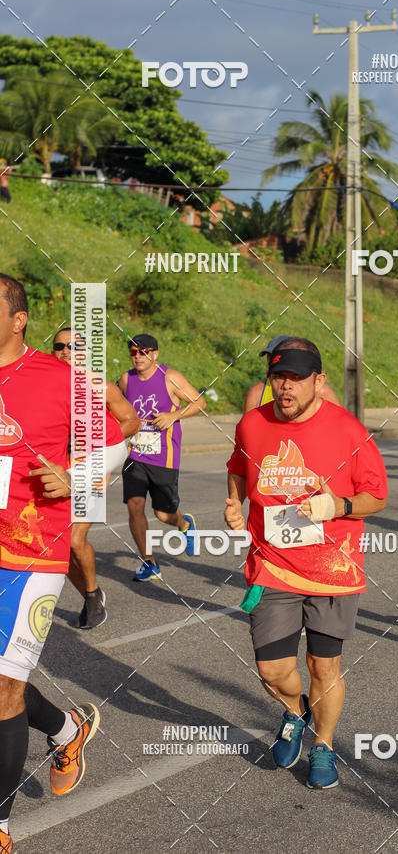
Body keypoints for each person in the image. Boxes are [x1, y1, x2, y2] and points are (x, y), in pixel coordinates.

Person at [0, 274, 127, 853]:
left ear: (18, 318)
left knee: (3, 689)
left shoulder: (60, 379)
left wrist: (75, 477)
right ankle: (65, 727)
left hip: (30, 553)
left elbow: (118, 441)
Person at [225, 337, 388, 789]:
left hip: (333, 568)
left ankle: (324, 746)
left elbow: (377, 496)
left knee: (323, 666)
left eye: (296, 378)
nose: (285, 387)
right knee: (272, 670)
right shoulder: (252, 424)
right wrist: (234, 503)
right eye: (278, 377)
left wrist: (336, 507)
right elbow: (238, 468)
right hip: (272, 564)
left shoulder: (347, 429)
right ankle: (295, 713)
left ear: (319, 381)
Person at [51, 327, 140, 629]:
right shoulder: (44, 386)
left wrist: (101, 442)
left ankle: (91, 596)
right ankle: (92, 592)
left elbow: (131, 420)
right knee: (56, 544)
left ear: (85, 352)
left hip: (91, 466)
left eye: (73, 346)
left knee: (75, 540)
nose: (66, 352)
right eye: (59, 346)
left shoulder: (100, 387)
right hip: (55, 469)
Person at [118, 333, 206, 581]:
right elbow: (115, 403)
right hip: (135, 455)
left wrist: (173, 416)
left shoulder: (170, 377)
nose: (138, 356)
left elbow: (200, 403)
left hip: (164, 458)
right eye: (133, 352)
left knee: (162, 514)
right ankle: (149, 563)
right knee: (135, 506)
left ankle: (184, 524)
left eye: (143, 351)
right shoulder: (126, 379)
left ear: (155, 354)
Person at [243, 335, 339, 412]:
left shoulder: (321, 391)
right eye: (269, 356)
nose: (273, 360)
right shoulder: (257, 392)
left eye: (278, 356)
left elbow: (338, 421)